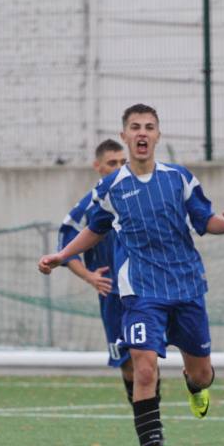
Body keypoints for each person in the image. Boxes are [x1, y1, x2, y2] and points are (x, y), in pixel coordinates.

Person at [38, 104, 224, 446]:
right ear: (126, 135)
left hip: (185, 287)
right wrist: (63, 256)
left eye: (149, 126)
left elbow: (205, 220)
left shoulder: (178, 178)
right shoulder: (111, 187)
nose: (142, 133)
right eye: (135, 127)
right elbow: (94, 230)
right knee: (143, 370)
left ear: (158, 135)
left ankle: (195, 385)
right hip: (140, 291)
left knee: (202, 371)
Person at [57, 139, 151, 404]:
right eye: (112, 163)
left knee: (147, 358)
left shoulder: (143, 194)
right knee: (128, 363)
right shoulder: (90, 204)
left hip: (147, 290)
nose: (119, 167)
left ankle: (152, 424)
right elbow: (65, 242)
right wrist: (89, 276)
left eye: (123, 162)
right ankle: (144, 421)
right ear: (98, 166)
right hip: (113, 296)